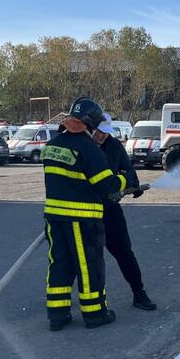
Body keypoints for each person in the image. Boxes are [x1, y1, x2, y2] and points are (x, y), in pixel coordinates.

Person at [41, 97, 139, 331]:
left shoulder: (52, 145)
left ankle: (57, 315)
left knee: (59, 264)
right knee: (89, 266)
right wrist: (128, 180)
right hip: (82, 219)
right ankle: (95, 313)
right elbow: (108, 185)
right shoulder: (88, 149)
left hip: (54, 217)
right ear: (90, 123)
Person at [92, 114, 156, 311]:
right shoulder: (81, 145)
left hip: (110, 210)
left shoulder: (114, 146)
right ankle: (91, 303)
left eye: (106, 133)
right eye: (100, 132)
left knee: (124, 252)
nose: (103, 136)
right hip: (86, 212)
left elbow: (129, 172)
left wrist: (132, 185)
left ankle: (139, 293)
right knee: (89, 258)